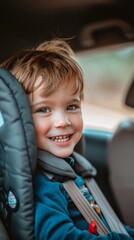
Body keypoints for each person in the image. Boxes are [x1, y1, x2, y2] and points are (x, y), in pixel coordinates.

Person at [0, 39, 134, 240]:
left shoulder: (70, 169)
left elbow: (107, 225)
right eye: (44, 109)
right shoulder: (41, 184)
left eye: (72, 107)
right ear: (19, 121)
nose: (63, 121)